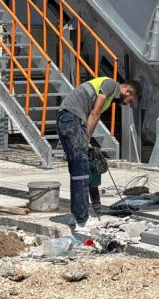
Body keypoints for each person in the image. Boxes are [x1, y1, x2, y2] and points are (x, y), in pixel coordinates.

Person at [56, 77, 141, 231]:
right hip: (72, 119)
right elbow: (95, 114)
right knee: (81, 172)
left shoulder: (109, 95)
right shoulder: (111, 85)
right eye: (129, 100)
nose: (126, 104)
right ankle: (82, 221)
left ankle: (76, 216)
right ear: (127, 90)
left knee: (77, 171)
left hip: (67, 119)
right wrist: (86, 141)